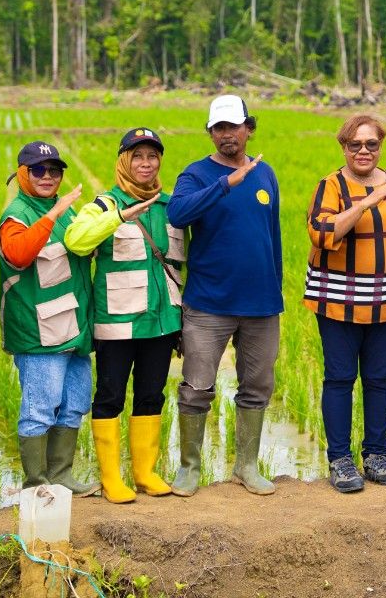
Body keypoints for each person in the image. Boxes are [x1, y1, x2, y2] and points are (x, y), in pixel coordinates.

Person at [166, 95, 283, 497]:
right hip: (208, 303)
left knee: (257, 386)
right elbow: (177, 213)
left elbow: (273, 239)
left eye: (233, 126)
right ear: (210, 132)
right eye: (218, 128)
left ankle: (246, 467)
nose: (226, 134)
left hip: (261, 305)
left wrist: (275, 289)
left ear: (248, 127)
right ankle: (189, 467)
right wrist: (226, 183)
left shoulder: (266, 175)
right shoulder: (196, 174)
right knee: (196, 387)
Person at [305, 115, 386, 493]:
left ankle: (376, 455)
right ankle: (340, 460)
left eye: (371, 144)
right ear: (343, 147)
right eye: (355, 144)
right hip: (339, 298)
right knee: (340, 378)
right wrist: (370, 199)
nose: (363, 151)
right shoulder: (331, 186)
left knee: (379, 378)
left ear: (380, 146)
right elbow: (323, 233)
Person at [63, 128, 180, 504]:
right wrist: (119, 217)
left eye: (152, 156)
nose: (146, 164)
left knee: (151, 395)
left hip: (162, 321)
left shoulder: (170, 207)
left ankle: (145, 473)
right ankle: (112, 478)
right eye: (137, 156)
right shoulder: (103, 204)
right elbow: (77, 241)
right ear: (123, 161)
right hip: (117, 322)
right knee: (110, 395)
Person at [0, 141, 96, 496]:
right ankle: (36, 485)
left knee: (73, 405)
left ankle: (61, 475)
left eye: (55, 170)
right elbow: (19, 254)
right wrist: (53, 214)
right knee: (40, 409)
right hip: (39, 333)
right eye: (38, 170)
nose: (48, 177)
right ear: (23, 174)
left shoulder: (67, 210)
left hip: (75, 330)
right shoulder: (17, 214)